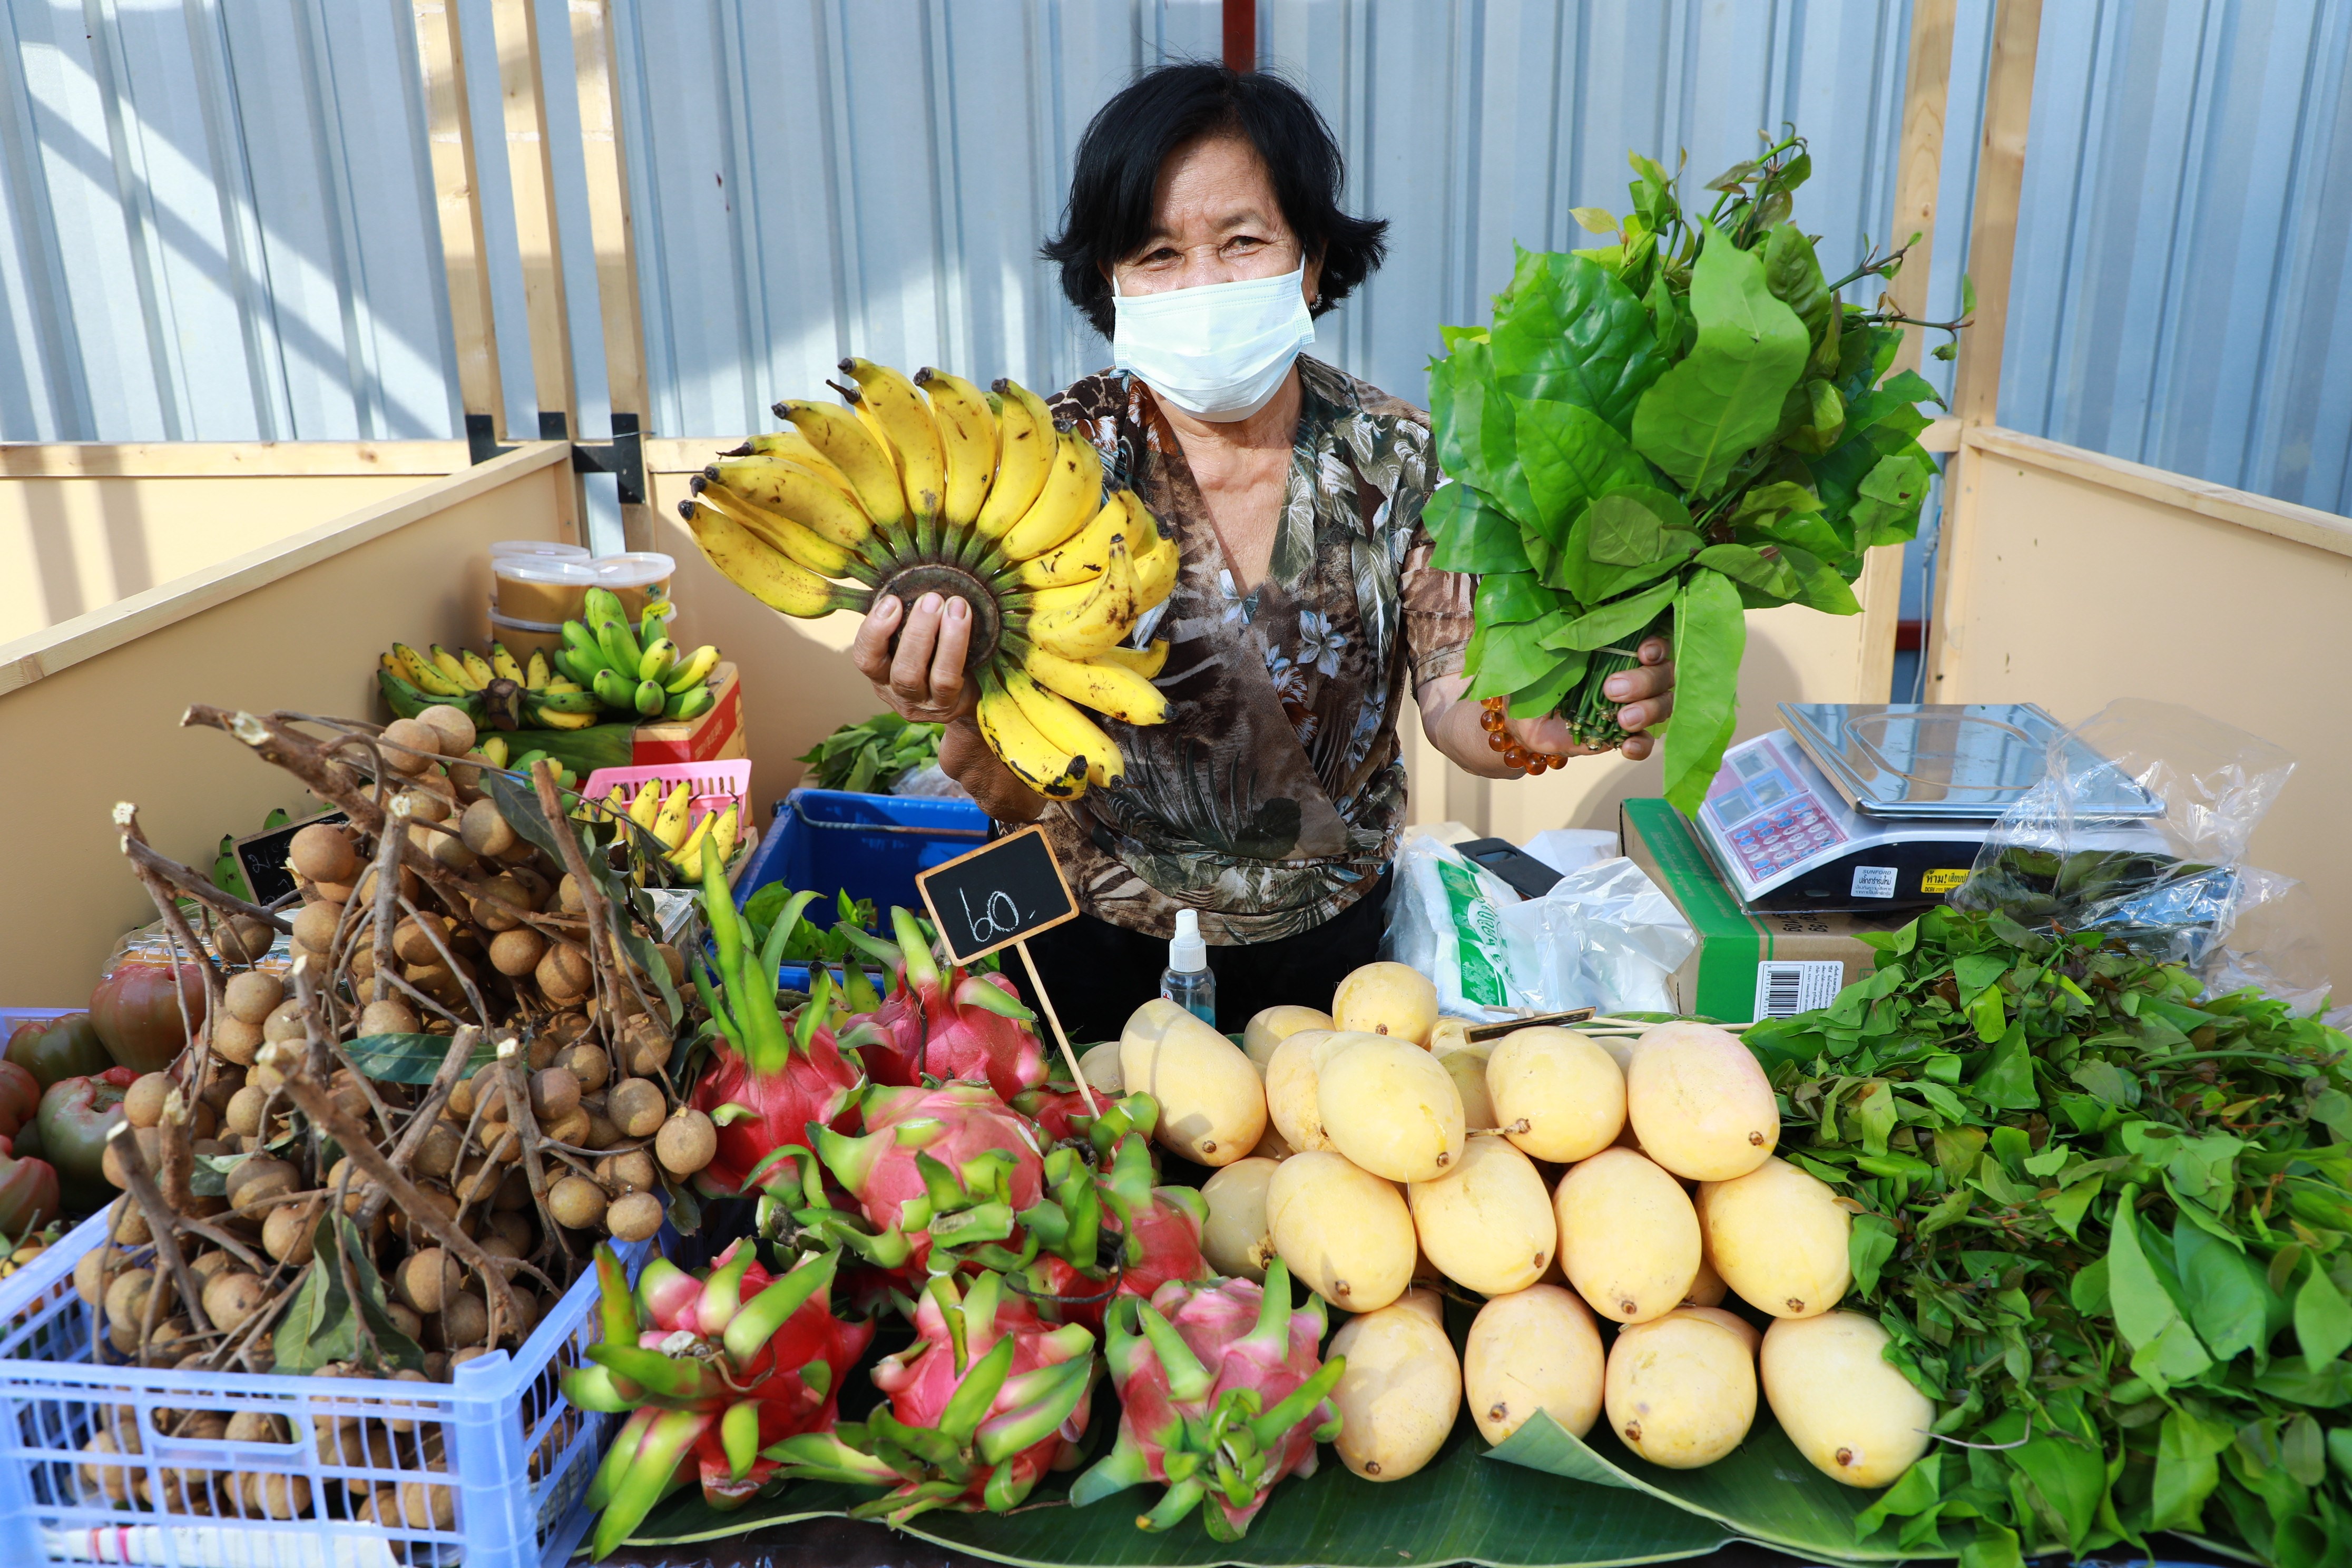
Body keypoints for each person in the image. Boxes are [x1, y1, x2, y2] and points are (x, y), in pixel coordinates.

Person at [851, 63, 1677, 1041]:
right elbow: (1008, 761)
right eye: (1158, 254)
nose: (1203, 284)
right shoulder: (1047, 467)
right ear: (1112, 280)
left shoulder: (1393, 457)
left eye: (1242, 241)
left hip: (1325, 952)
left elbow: (1454, 685)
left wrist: (1525, 722)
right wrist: (946, 692)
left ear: (1311, 261)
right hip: (1086, 932)